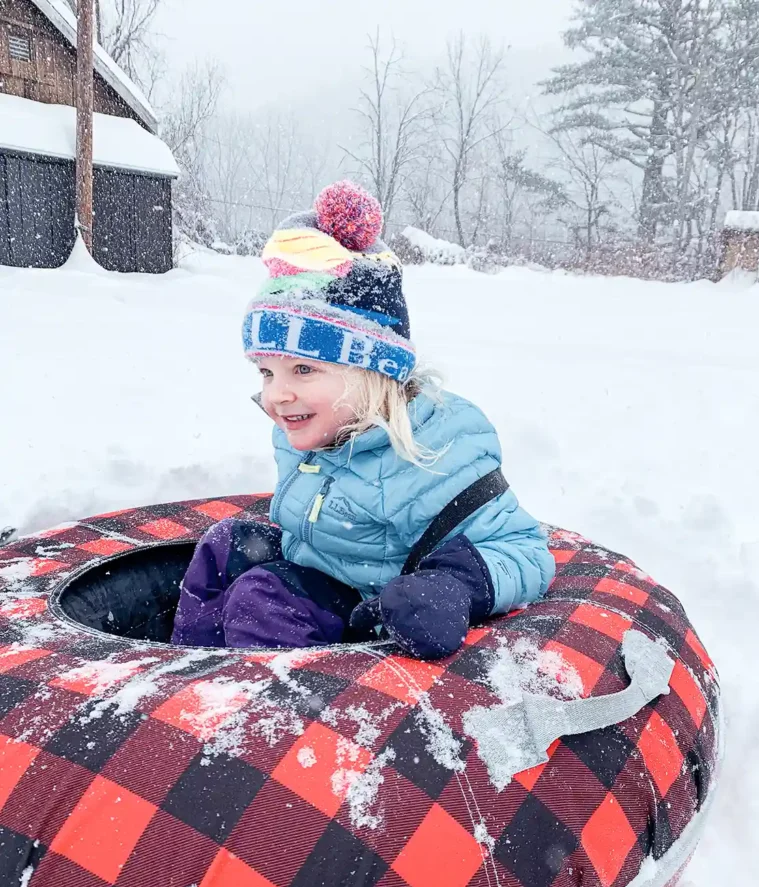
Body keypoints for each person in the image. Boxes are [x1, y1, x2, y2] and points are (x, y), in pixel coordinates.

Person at [171, 181, 555, 659]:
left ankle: (271, 717)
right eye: (266, 372)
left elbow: (527, 552)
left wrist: (455, 585)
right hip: (323, 568)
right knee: (225, 546)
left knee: (261, 599)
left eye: (304, 369)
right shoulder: (312, 429)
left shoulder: (433, 453)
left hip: (375, 606)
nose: (277, 394)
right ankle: (187, 672)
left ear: (374, 372)